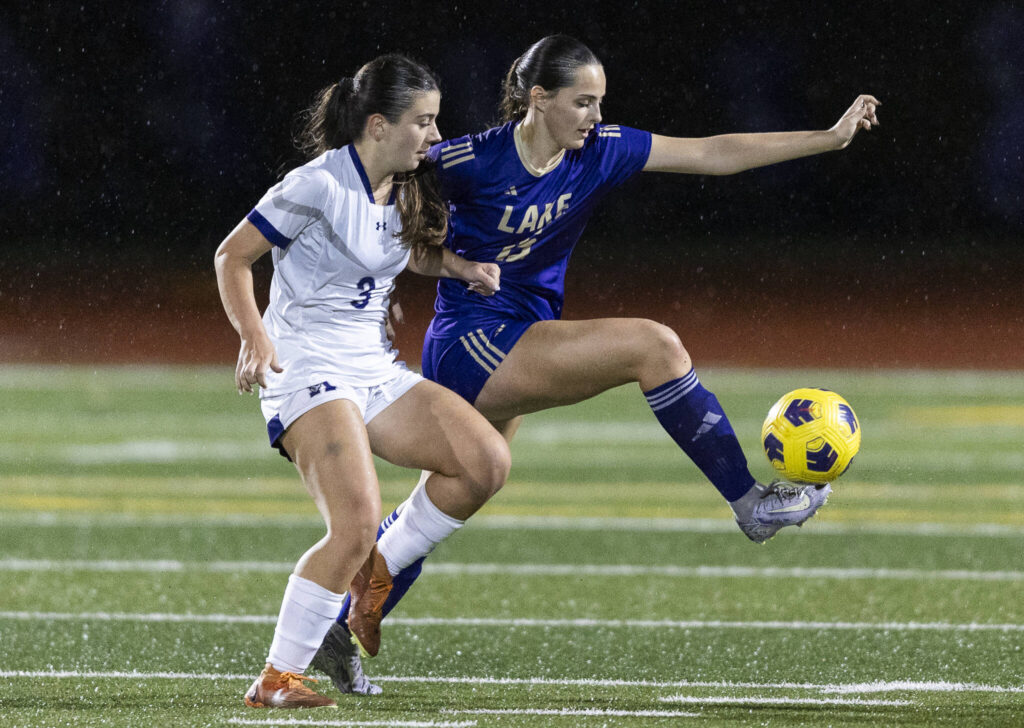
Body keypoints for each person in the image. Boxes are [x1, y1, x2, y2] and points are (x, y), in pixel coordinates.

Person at [315, 34, 881, 686]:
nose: (595, 115)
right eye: (582, 102)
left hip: (520, 338)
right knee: (654, 345)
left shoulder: (601, 152)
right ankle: (750, 502)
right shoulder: (471, 160)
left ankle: (334, 620)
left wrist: (829, 137)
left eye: (600, 102)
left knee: (454, 494)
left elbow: (712, 153)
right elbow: (373, 191)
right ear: (537, 99)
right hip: (472, 344)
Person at [214, 54, 511, 708]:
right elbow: (233, 256)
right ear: (378, 125)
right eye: (423, 122)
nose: (435, 137)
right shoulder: (317, 184)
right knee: (353, 523)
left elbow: (400, 248)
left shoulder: (400, 184)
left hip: (370, 366)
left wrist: (458, 266)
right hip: (307, 367)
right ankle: (276, 679)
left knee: (484, 461)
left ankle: (375, 574)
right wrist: (255, 337)